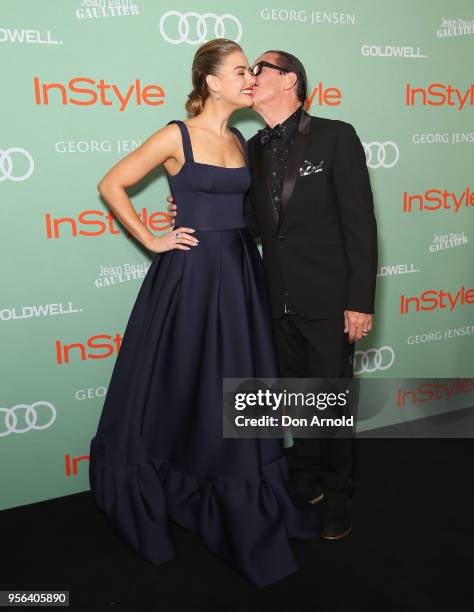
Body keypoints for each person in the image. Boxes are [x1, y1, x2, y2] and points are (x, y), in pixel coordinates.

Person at [88, 39, 320, 589]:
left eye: (252, 71)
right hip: (190, 278)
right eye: (240, 71)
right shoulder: (177, 134)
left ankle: (241, 491)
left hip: (240, 273)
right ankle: (180, 482)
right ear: (211, 82)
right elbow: (111, 183)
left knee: (240, 385)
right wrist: (151, 236)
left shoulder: (241, 139)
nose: (250, 79)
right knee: (183, 384)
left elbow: (246, 209)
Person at [167, 50, 378, 540]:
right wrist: (193, 202)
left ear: (290, 81)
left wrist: (360, 301)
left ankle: (339, 494)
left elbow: (360, 226)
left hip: (330, 300)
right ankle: (304, 481)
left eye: (258, 68)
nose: (249, 76)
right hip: (274, 298)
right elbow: (254, 223)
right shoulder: (251, 147)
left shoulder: (335, 135)